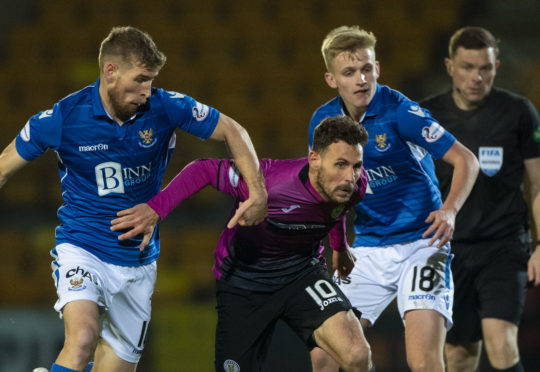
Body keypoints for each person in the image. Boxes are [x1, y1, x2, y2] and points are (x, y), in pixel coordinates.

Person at [0, 26, 267, 372]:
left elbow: (232, 130)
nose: (147, 91)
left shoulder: (166, 107)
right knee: (82, 337)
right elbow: (4, 166)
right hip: (83, 248)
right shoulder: (63, 119)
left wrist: (258, 191)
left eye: (151, 81)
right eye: (140, 80)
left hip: (138, 261)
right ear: (110, 71)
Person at [111, 116, 374, 372]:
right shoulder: (268, 183)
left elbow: (337, 210)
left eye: (356, 165)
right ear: (314, 160)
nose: (350, 177)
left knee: (358, 355)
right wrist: (156, 210)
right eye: (340, 164)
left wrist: (338, 247)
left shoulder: (356, 186)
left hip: (302, 274)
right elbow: (203, 169)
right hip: (243, 284)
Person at [307, 26, 479, 372]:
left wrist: (449, 211)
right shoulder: (322, 122)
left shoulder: (401, 112)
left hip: (423, 244)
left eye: (367, 69)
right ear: (331, 79)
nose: (361, 79)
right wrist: (336, 244)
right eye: (349, 72)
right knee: (323, 353)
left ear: (378, 69)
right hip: (367, 250)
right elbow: (323, 190)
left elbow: (466, 160)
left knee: (423, 361)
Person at [421, 26, 540, 372]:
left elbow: (537, 184)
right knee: (458, 358)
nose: (477, 76)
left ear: (496, 67)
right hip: (449, 251)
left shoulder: (519, 113)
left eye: (485, 68)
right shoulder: (426, 116)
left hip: (504, 246)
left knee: (501, 342)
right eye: (468, 67)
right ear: (449, 66)